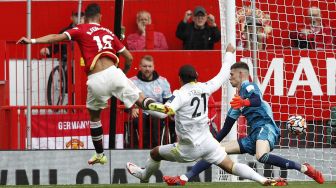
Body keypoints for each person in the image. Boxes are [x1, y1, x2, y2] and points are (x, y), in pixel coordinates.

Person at [17, 3, 160, 165]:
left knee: (94, 118)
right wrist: (124, 72)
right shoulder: (109, 32)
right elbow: (129, 58)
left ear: (85, 18)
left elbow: (57, 37)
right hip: (115, 72)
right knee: (140, 99)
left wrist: (32, 40)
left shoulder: (80, 28)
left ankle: (100, 154)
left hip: (95, 79)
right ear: (100, 17)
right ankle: (160, 108)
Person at [126, 44, 285, 186]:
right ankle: (263, 180)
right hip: (208, 142)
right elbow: (223, 74)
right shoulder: (205, 87)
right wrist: (229, 53)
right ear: (196, 76)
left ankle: (144, 176)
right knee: (230, 166)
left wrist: (142, 103)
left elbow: (163, 113)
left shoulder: (180, 94)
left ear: (180, 79)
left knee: (155, 152)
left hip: (188, 147)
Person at [167, 61, 325, 185]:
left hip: (266, 128)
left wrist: (243, 102)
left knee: (261, 156)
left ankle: (304, 168)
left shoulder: (248, 86)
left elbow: (255, 101)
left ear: (241, 74)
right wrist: (209, 144)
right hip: (253, 136)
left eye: (231, 75)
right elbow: (226, 128)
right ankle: (184, 178)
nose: (229, 78)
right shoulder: (237, 100)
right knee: (214, 152)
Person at [129, 55, 174, 148]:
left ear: (153, 67)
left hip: (158, 112)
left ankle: (157, 148)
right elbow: (125, 101)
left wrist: (170, 112)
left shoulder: (162, 82)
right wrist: (132, 108)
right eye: (145, 66)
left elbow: (169, 101)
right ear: (140, 67)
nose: (147, 69)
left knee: (156, 118)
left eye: (150, 66)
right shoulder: (132, 82)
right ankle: (141, 148)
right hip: (140, 113)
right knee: (139, 119)